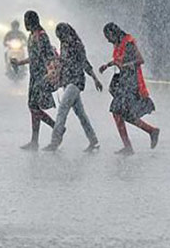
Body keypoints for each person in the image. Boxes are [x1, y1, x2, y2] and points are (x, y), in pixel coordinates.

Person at [99, 23, 159, 155]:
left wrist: (125, 65)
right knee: (124, 114)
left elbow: (139, 60)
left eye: (108, 37)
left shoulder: (128, 43)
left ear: (114, 33)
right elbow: (118, 60)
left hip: (131, 82)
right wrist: (108, 65)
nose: (108, 40)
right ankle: (150, 131)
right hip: (123, 82)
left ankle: (130, 145)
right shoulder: (118, 44)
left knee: (117, 111)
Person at [43, 23, 102, 153]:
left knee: (62, 109)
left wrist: (95, 78)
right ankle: (94, 141)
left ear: (66, 33)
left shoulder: (77, 45)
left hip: (76, 81)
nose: (61, 40)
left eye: (61, 36)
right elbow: (64, 62)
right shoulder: (64, 45)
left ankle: (55, 141)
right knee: (81, 114)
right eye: (59, 38)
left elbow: (84, 63)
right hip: (67, 81)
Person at [11, 10, 56, 150]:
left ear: (32, 21)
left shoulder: (41, 36)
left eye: (27, 20)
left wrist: (49, 73)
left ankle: (57, 127)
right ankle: (34, 140)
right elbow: (34, 58)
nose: (25, 23)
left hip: (41, 76)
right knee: (34, 107)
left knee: (33, 106)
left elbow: (47, 57)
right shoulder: (31, 36)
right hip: (34, 75)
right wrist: (19, 63)